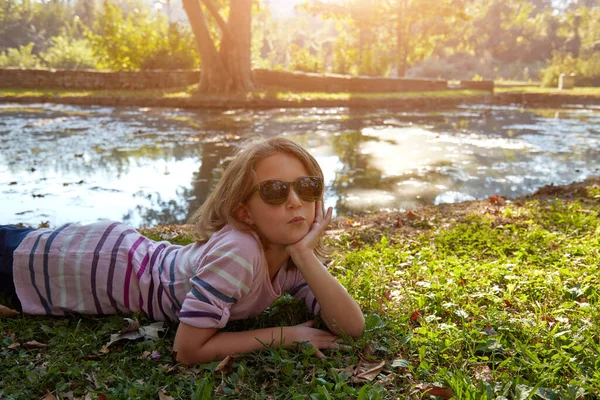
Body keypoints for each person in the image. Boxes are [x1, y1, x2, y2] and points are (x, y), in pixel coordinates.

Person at [0, 137, 365, 365]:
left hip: (117, 253)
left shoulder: (290, 253)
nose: (296, 201)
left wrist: (304, 256)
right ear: (244, 212)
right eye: (274, 192)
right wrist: (287, 334)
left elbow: (350, 327)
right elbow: (188, 350)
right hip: (80, 262)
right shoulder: (239, 253)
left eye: (307, 186)